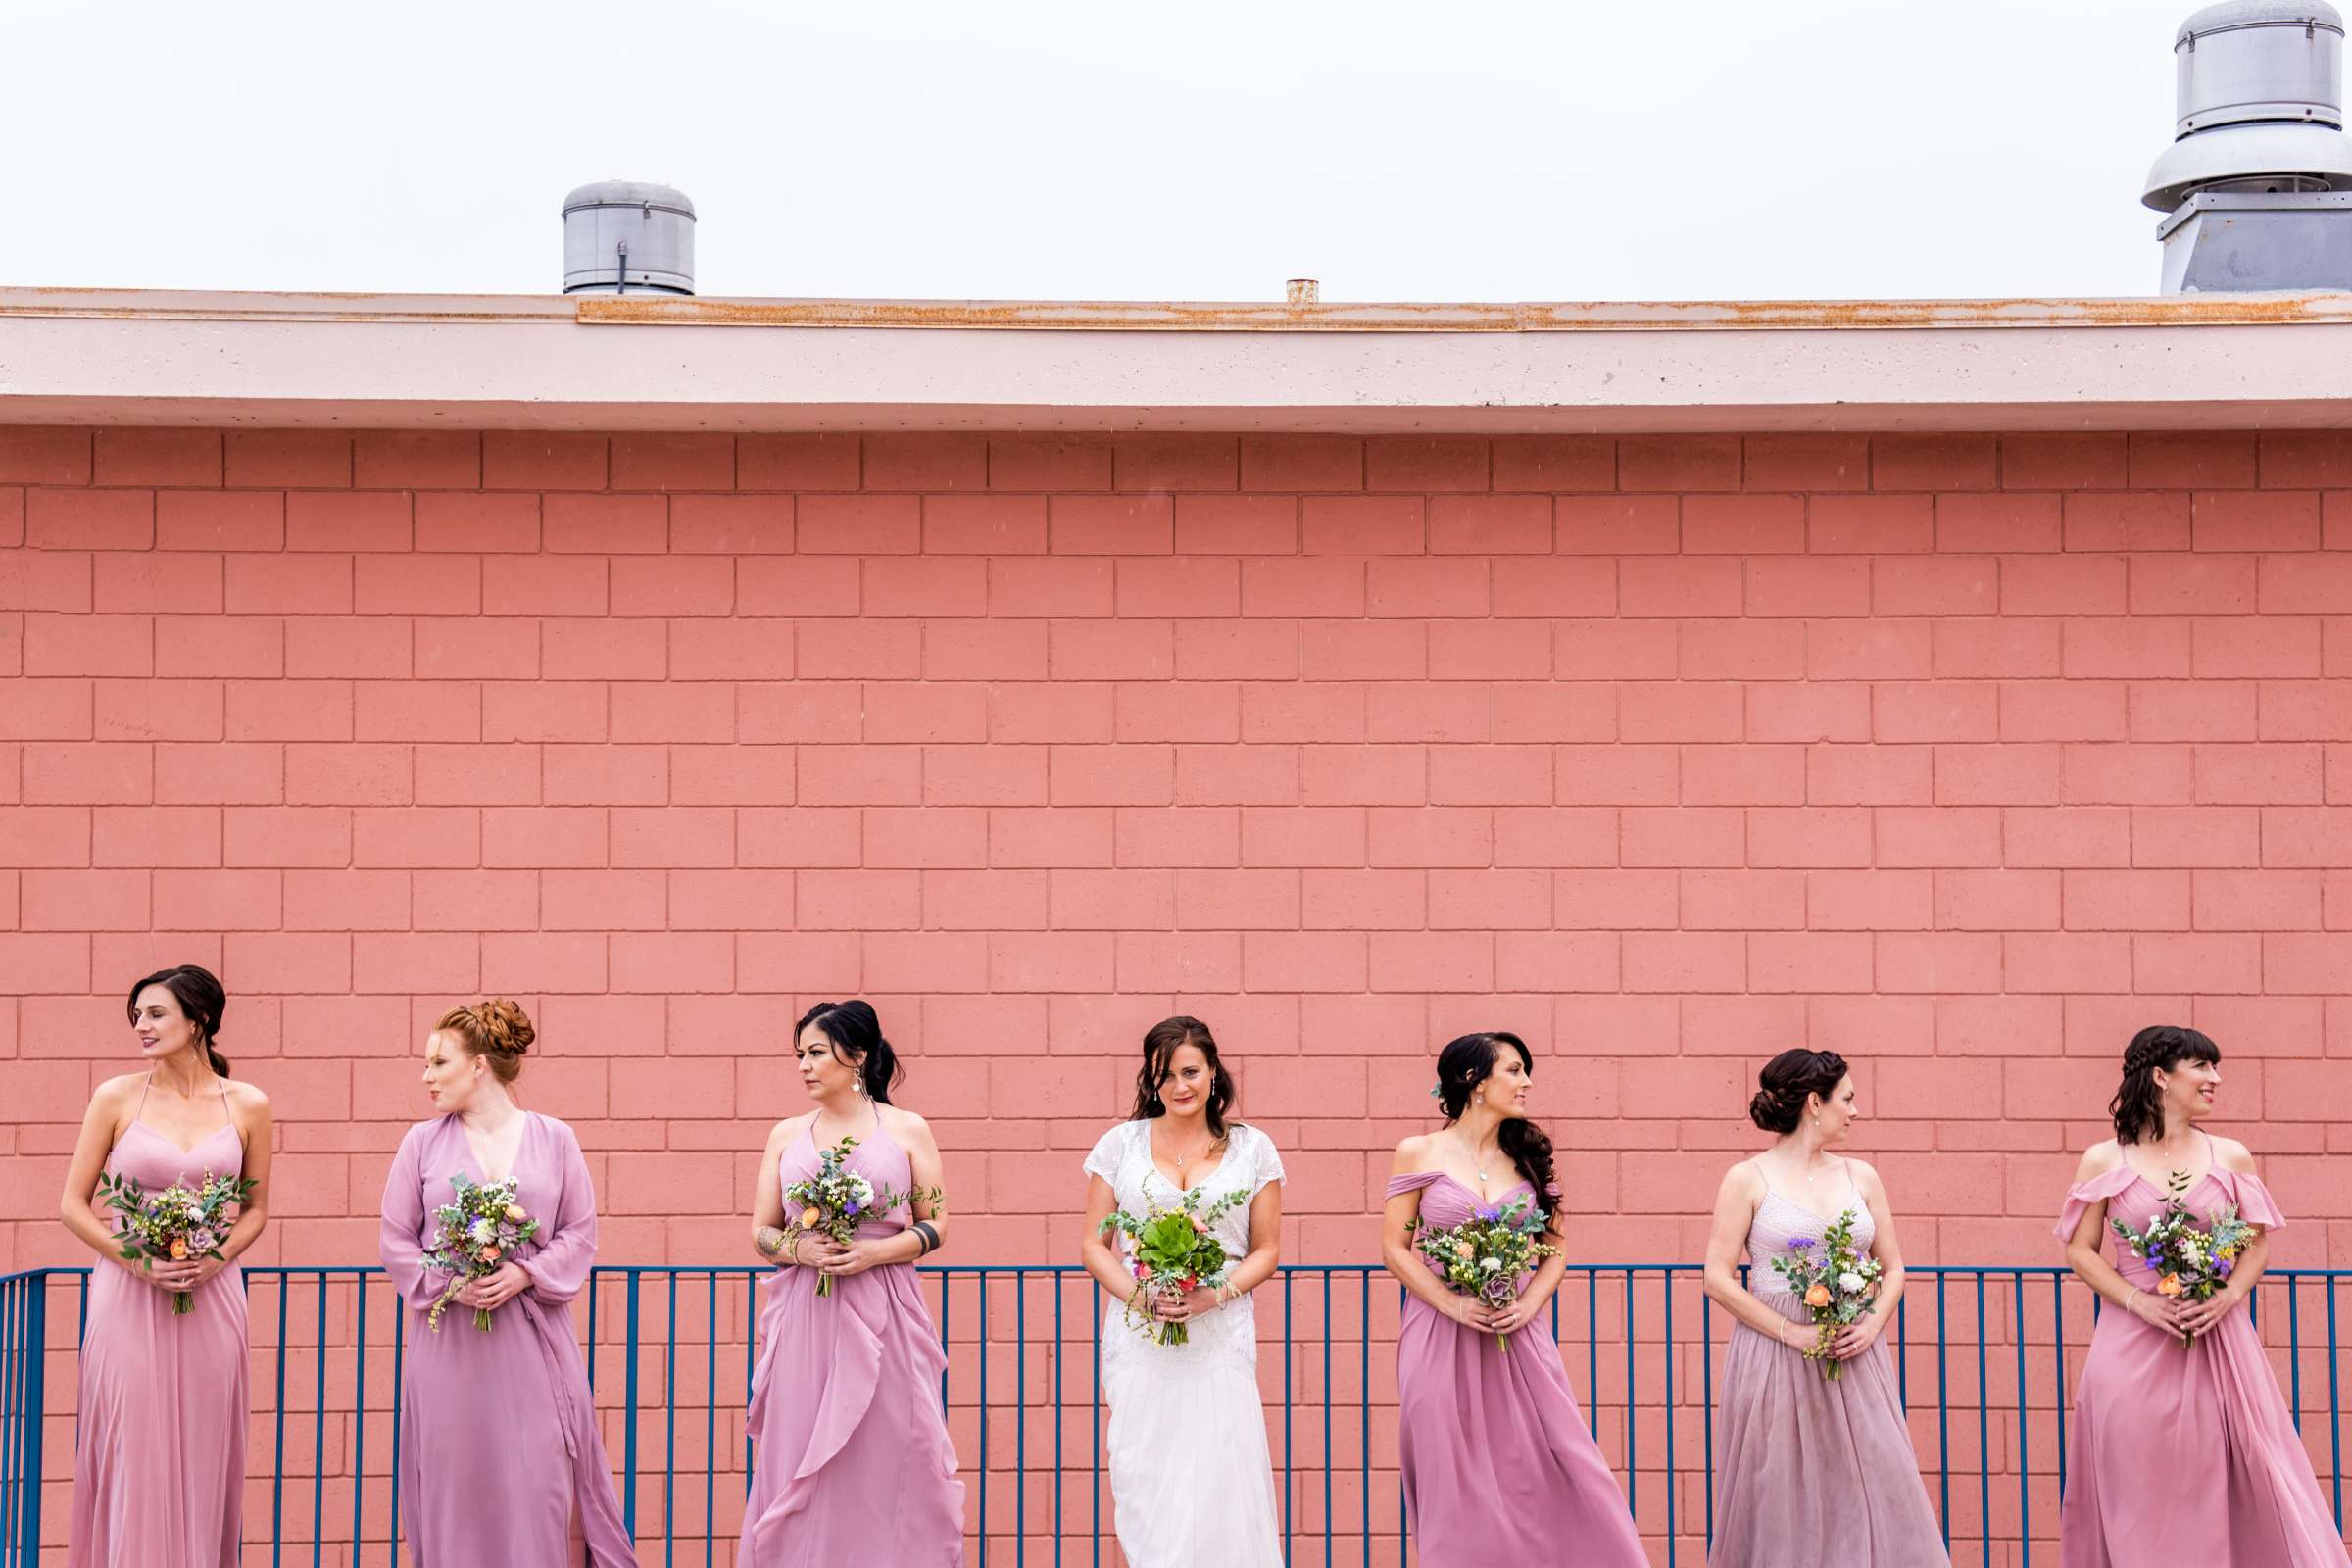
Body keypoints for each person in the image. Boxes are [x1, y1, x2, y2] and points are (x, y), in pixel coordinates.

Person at [2056, 1024, 2348, 1566]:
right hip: (2129, 1347)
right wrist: (2139, 1301)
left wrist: (2229, 1295)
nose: (2216, 1079)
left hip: (2219, 1344)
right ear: (2162, 1077)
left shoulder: (2231, 1156)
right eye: (2203, 1067)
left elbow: (2256, 1245)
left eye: (2215, 1068)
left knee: (2229, 1480)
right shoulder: (2105, 1160)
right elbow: (2080, 1250)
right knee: (2135, 1488)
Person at [376, 999, 634, 1567]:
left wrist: (525, 1272)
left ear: (478, 1066)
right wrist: (451, 1282)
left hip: (532, 1341)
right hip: (450, 1346)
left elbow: (579, 1232)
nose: (426, 1076)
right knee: (455, 1487)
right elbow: (396, 1242)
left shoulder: (556, 1138)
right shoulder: (420, 1143)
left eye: (438, 1063)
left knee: (533, 1484)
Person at [1383, 1030, 1645, 1568]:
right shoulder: (1419, 1151)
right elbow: (1394, 1248)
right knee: (1452, 1478)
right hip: (1439, 1335)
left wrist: (1528, 1306)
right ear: (1473, 1082)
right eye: (1513, 1070)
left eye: (1526, 1071)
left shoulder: (1528, 1156)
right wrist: (1452, 1304)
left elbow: (1556, 1253)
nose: (1526, 1082)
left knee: (1556, 1464)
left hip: (1519, 1335)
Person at [1701, 1048, 1947, 1565]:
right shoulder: (1747, 1179)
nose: (1855, 1111)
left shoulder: (1862, 1176)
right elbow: (1717, 1278)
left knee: (1875, 1480)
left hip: (1855, 1352)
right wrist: (1792, 1333)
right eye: (1848, 1099)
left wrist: (1871, 1325)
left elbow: (1895, 1267)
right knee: (1780, 1488)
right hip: (1775, 1355)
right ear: (1815, 1103)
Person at [62, 964, 272, 1568]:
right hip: (128, 1295)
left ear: (198, 1019)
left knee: (206, 1449)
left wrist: (215, 1259)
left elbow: (255, 1211)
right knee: (135, 1447)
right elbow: (72, 1205)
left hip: (213, 1295)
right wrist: (138, 1262)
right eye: (137, 1016)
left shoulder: (250, 1105)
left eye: (155, 1014)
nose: (141, 1026)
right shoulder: (116, 1097)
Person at [743, 1000, 963, 1566]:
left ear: (857, 1056)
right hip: (805, 1319)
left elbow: (936, 1223)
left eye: (816, 1053)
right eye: (800, 1055)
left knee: (885, 1455)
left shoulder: (909, 1129)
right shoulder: (785, 1135)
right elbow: (761, 1233)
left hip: (885, 1311)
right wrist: (800, 1248)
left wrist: (878, 1253)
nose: (804, 1067)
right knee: (798, 1451)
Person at [1079, 1016, 1285, 1568]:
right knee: (1143, 1478)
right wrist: (1141, 1298)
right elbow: (1096, 1245)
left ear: (1214, 1072)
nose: (1179, 1086)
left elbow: (1266, 1249)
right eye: (1164, 1075)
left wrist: (1211, 1296)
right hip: (1140, 1338)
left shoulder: (1252, 1148)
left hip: (1219, 1337)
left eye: (1190, 1071)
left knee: (1222, 1479)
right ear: (1151, 1081)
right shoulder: (1119, 1144)